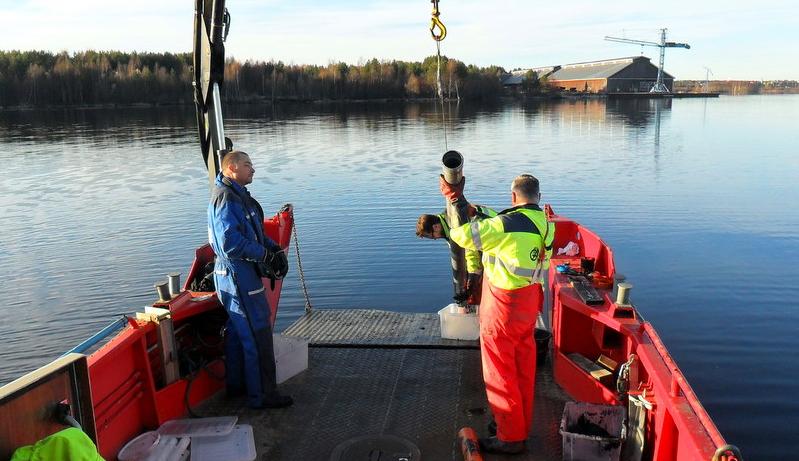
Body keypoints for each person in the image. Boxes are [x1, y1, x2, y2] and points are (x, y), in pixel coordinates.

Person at [441, 174, 554, 454]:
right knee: (522, 370)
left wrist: (455, 201)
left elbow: (462, 236)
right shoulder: (545, 225)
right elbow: (497, 229)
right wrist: (470, 206)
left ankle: (510, 437)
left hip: (503, 308)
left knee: (500, 374)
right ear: (537, 197)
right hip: (528, 305)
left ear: (513, 197)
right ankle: (517, 425)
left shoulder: (504, 225)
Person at [207, 150, 293, 409]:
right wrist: (264, 254)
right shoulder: (226, 199)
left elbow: (252, 234)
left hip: (236, 274)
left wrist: (273, 248)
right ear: (231, 167)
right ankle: (264, 396)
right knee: (258, 333)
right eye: (247, 165)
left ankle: (238, 387)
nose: (253, 169)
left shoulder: (239, 198)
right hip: (237, 275)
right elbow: (229, 242)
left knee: (237, 332)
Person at [416, 203, 497, 304]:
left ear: (436, 227)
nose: (434, 239)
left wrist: (470, 288)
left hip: (500, 245)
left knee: (479, 288)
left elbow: (472, 258)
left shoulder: (457, 228)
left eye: (431, 236)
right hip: (497, 236)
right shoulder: (449, 220)